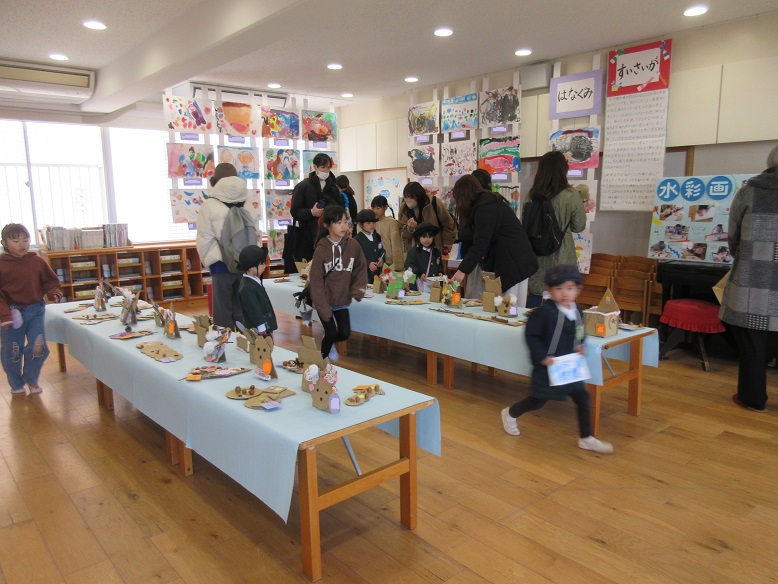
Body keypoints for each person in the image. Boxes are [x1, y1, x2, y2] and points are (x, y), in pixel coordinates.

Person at [500, 264, 613, 454]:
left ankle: (586, 438)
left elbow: (579, 331)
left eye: (569, 288)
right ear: (549, 290)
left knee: (582, 398)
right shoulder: (543, 313)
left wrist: (580, 344)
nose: (564, 293)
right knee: (538, 401)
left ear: (578, 289)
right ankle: (510, 414)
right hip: (548, 367)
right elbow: (531, 336)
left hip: (570, 366)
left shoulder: (577, 311)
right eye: (558, 288)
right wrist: (542, 357)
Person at [719, 143, 778, 413]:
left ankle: (753, 398)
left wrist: (746, 257)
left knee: (753, 345)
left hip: (752, 285)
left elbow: (733, 238)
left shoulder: (749, 191)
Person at [450, 175, 537, 305]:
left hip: (514, 263)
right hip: (513, 261)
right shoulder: (486, 203)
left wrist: (462, 271)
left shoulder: (484, 207)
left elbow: (480, 244)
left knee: (510, 307)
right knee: (505, 307)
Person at [0, 223, 62, 396]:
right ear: (4, 243)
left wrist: (53, 292)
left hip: (35, 309)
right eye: (16, 241)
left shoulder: (37, 261)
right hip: (11, 314)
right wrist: (4, 315)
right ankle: (16, 382)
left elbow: (50, 282)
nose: (22, 244)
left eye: (26, 240)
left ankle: (31, 378)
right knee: (12, 350)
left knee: (38, 347)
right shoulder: (2, 265)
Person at [524, 151, 587, 307]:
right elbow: (579, 226)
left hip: (536, 256)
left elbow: (525, 225)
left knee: (535, 299)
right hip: (562, 256)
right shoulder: (571, 195)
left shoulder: (531, 195)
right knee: (562, 301)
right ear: (563, 170)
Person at [309, 205, 367, 361]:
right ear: (327, 225)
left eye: (345, 222)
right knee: (331, 332)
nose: (343, 226)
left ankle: (328, 342)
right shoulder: (321, 249)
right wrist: (322, 306)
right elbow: (315, 280)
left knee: (344, 333)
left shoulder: (352, 245)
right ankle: (321, 363)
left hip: (341, 299)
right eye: (338, 222)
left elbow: (361, 267)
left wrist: (358, 289)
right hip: (324, 300)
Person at [195, 162, 248, 328]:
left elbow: (204, 238)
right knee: (243, 308)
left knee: (222, 310)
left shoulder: (209, 205)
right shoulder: (247, 201)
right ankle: (245, 340)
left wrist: (208, 259)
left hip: (220, 263)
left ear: (215, 181)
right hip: (244, 262)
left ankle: (224, 341)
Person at [290, 153, 341, 263]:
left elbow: (340, 209)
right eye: (323, 167)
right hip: (308, 237)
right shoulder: (303, 186)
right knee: (310, 268)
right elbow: (295, 211)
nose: (326, 171)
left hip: (330, 236)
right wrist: (311, 212)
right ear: (315, 167)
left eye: (328, 168)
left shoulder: (333, 187)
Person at [398, 182, 456, 255]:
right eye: (405, 197)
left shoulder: (433, 203)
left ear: (419, 196)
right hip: (415, 251)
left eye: (411, 197)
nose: (408, 200)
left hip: (434, 247)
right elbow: (402, 232)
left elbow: (448, 223)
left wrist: (447, 243)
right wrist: (410, 229)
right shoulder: (404, 209)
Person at [237, 245, 277, 336]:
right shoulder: (247, 287)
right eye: (261, 264)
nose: (264, 266)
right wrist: (261, 328)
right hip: (258, 330)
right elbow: (254, 309)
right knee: (261, 345)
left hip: (264, 327)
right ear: (251, 267)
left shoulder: (254, 281)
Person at [404, 222, 443, 293]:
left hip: (433, 284)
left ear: (433, 237)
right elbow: (409, 264)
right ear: (419, 237)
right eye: (424, 237)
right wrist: (419, 273)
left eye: (430, 237)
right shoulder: (413, 251)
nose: (427, 240)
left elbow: (439, 265)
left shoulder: (436, 252)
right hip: (418, 283)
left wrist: (440, 272)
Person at [370, 195, 404, 269]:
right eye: (373, 208)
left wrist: (398, 266)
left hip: (389, 262)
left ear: (385, 207)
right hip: (375, 261)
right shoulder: (372, 223)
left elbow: (396, 245)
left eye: (378, 208)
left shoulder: (391, 222)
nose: (375, 211)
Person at [353, 209, 384, 283]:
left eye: (373, 222)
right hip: (364, 277)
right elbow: (356, 257)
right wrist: (368, 263)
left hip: (378, 275)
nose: (372, 225)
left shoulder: (377, 236)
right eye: (368, 223)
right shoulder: (356, 240)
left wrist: (381, 258)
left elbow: (381, 249)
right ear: (360, 224)